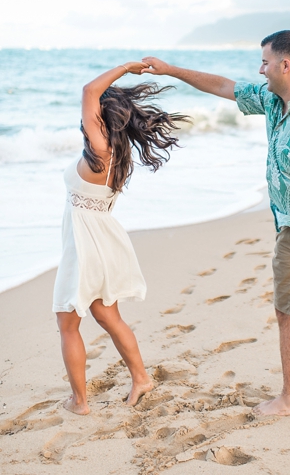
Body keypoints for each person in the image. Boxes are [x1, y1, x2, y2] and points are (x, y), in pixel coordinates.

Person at [141, 30, 290, 416]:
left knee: (288, 312)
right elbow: (223, 85)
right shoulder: (274, 102)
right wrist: (171, 70)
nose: (261, 69)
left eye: (265, 62)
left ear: (285, 65)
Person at [54, 62, 189, 414]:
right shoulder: (117, 157)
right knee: (109, 317)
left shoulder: (98, 152)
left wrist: (127, 68)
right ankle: (141, 378)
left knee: (68, 325)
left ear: (101, 118)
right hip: (104, 243)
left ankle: (79, 402)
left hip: (85, 249)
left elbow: (88, 90)